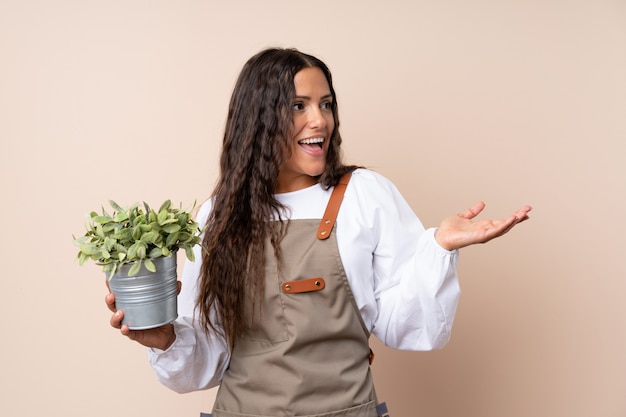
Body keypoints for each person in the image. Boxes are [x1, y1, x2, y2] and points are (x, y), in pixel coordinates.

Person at [106, 47, 531, 417]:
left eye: (326, 104)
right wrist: (164, 339)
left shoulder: (365, 195)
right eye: (299, 106)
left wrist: (437, 246)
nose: (320, 120)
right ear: (257, 120)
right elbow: (207, 361)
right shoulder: (217, 216)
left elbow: (409, 326)